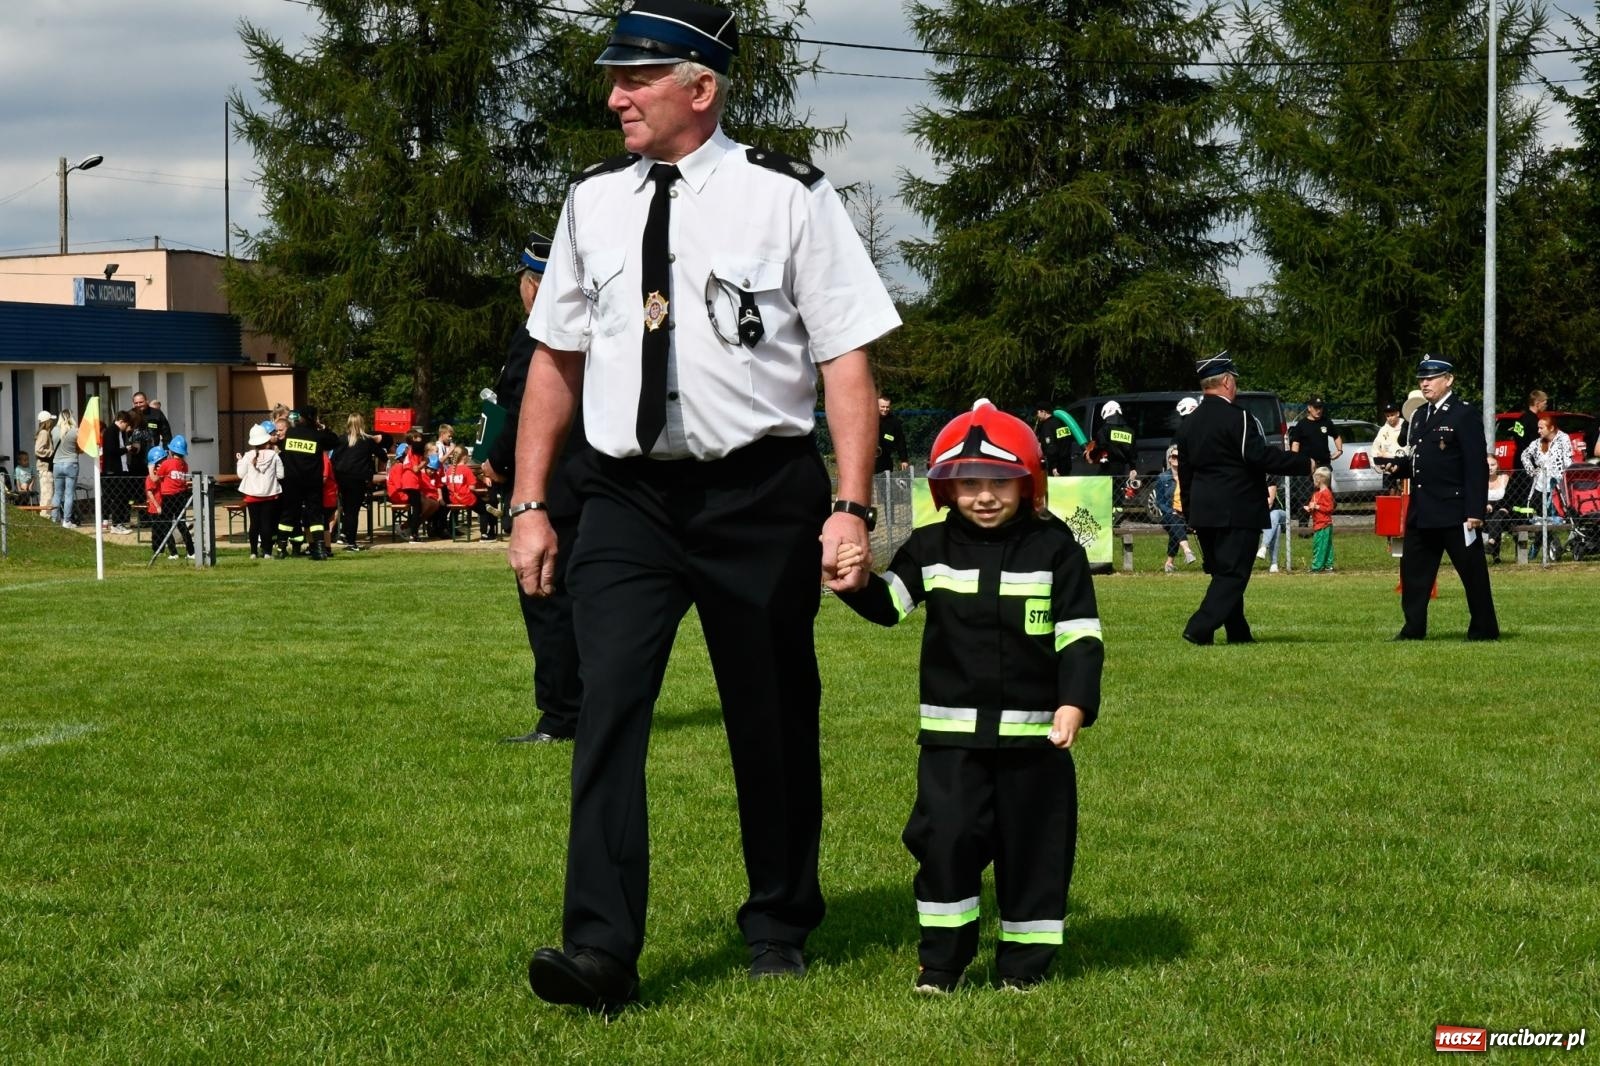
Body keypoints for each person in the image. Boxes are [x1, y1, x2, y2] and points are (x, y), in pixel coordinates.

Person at [508, 0, 899, 1011]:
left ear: (700, 87)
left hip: (758, 492)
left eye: (634, 79)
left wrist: (850, 505)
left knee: (769, 716)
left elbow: (846, 360)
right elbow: (553, 361)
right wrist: (529, 503)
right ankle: (597, 950)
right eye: (614, 79)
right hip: (625, 496)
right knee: (607, 712)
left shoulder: (788, 197)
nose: (614, 97)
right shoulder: (590, 201)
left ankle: (778, 919)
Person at [831, 400, 1102, 993]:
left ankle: (1025, 967)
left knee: (1034, 851)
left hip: (1035, 743)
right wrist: (853, 583)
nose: (984, 496)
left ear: (1028, 484)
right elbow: (890, 605)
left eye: (1000, 482)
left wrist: (1074, 704)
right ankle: (942, 963)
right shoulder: (929, 547)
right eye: (969, 483)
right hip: (951, 744)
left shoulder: (1056, 550)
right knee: (945, 843)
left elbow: (1081, 637)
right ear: (946, 489)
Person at [486, 234, 591, 744]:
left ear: (531, 288)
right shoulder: (595, 329)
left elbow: (524, 410)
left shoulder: (535, 337)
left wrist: (497, 463)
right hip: (596, 485)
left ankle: (561, 716)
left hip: (549, 491)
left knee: (546, 599)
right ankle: (592, 707)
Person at [1173, 355, 1304, 645]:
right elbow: (1257, 456)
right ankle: (1199, 626)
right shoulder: (1239, 417)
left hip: (1204, 512)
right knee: (1233, 576)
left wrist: (1191, 512)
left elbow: (1185, 472)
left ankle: (1238, 632)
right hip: (1237, 508)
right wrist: (1302, 464)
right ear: (1228, 381)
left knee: (1222, 573)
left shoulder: (1189, 423)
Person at [1379, 357, 1498, 641]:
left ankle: (1484, 628)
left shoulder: (1463, 414)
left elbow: (1475, 465)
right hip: (1422, 511)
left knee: (1473, 574)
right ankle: (1413, 628)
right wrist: (1398, 467)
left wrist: (1475, 510)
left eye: (1431, 378)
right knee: (1413, 574)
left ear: (1449, 380)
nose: (1425, 382)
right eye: (1422, 378)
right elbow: (1421, 461)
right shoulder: (1419, 415)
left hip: (1455, 511)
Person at [278, 406, 340, 560]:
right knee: (315, 515)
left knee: (288, 514)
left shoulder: (290, 433)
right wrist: (322, 428)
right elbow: (335, 441)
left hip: (292, 481)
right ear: (313, 418)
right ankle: (319, 549)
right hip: (312, 482)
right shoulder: (317, 436)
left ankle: (281, 548)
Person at [1520, 411, 1573, 562]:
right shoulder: (1537, 443)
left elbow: (1568, 461)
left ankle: (1541, 547)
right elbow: (1524, 455)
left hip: (1556, 488)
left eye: (1541, 428)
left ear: (1551, 428)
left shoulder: (1564, 439)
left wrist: (1565, 479)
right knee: (1540, 520)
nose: (1538, 431)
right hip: (1539, 487)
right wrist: (1531, 470)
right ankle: (1546, 546)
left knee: (1551, 520)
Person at [333, 414, 385, 551]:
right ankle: (351, 541)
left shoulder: (342, 439)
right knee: (353, 511)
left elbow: (334, 459)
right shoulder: (366, 441)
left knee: (347, 509)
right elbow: (383, 456)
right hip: (359, 478)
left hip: (342, 478)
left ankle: (344, 535)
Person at [1289, 396, 1342, 519]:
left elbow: (1337, 436)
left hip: (1323, 465)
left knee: (1325, 495)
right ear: (1309, 408)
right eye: (1316, 408)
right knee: (1305, 495)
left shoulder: (1326, 422)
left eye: (1320, 408)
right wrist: (1294, 459)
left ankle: (1324, 523)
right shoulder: (1301, 425)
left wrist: (1339, 450)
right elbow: (1295, 443)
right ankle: (1303, 527)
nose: (1318, 410)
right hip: (1306, 465)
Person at [236, 423, 284, 559]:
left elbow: (240, 474)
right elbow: (281, 475)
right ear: (266, 439)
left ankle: (253, 552)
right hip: (270, 494)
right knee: (266, 523)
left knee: (254, 524)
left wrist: (239, 461)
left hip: (252, 495)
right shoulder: (274, 455)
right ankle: (267, 552)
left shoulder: (248, 456)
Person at [149, 438, 195, 559]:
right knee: (181, 523)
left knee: (166, 524)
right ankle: (191, 552)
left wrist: (151, 467)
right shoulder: (184, 465)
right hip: (181, 496)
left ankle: (173, 552)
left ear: (171, 451)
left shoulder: (166, 464)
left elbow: (154, 479)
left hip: (168, 497)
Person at [1153, 445, 1195, 574]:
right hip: (1169, 514)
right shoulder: (1162, 477)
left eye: (1179, 457)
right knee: (1175, 521)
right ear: (1170, 459)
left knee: (1176, 528)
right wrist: (1170, 510)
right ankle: (1187, 551)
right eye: (1174, 456)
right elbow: (1159, 501)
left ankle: (1169, 563)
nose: (1177, 459)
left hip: (1186, 515)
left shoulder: (1188, 477)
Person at [50, 409, 81, 527]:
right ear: (71, 417)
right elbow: (79, 448)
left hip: (57, 464)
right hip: (71, 463)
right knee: (69, 494)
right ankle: (66, 520)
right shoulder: (75, 431)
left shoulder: (54, 430)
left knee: (57, 493)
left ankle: (54, 519)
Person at [1483, 455, 1514, 564]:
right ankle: (1496, 555)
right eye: (1487, 465)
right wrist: (1485, 505)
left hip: (1504, 515)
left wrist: (1492, 505)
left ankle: (1491, 542)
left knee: (1499, 515)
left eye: (1493, 465)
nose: (1490, 468)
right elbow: (1476, 498)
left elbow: (1510, 499)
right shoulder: (1479, 481)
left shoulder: (1504, 479)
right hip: (1485, 516)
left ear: (1498, 466)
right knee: (1495, 519)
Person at [1304, 466, 1336, 572]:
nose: (1314, 482)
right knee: (1325, 545)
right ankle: (1327, 564)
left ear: (1320, 479)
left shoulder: (1326, 493)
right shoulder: (1316, 494)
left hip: (1324, 524)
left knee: (1320, 545)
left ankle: (1317, 566)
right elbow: (1313, 506)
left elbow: (1329, 508)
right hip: (1318, 523)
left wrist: (1317, 507)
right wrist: (1309, 508)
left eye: (1315, 479)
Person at [1033, 404, 1075, 476]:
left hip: (1056, 467)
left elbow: (1051, 447)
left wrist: (1053, 466)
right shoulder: (1060, 422)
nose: (1037, 416)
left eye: (1038, 413)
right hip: (1066, 463)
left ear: (1043, 412)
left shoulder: (1047, 426)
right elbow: (1067, 441)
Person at [874, 396, 911, 474]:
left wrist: (904, 460)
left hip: (886, 460)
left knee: (886, 482)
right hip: (869, 460)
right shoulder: (869, 419)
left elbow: (900, 441)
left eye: (887, 407)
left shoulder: (894, 422)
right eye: (882, 407)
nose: (885, 409)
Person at [1373, 402, 1404, 493]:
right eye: (1387, 416)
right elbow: (1375, 448)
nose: (1390, 418)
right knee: (1390, 494)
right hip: (1387, 469)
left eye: (1392, 415)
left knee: (1403, 492)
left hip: (1402, 466)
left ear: (1397, 414)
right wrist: (1376, 464)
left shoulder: (1405, 427)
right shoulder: (1383, 430)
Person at [1258, 480, 1288, 573]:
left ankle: (1264, 546)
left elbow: (1269, 504)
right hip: (1266, 518)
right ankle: (1274, 564)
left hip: (1280, 513)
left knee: (1274, 515)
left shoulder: (1270, 481)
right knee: (1276, 527)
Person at [33, 411, 57, 515]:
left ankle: (45, 515)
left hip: (45, 467)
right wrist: (51, 452)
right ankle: (45, 516)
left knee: (47, 493)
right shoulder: (44, 433)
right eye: (51, 420)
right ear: (47, 421)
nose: (52, 422)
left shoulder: (45, 432)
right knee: (47, 494)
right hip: (45, 467)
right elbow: (38, 449)